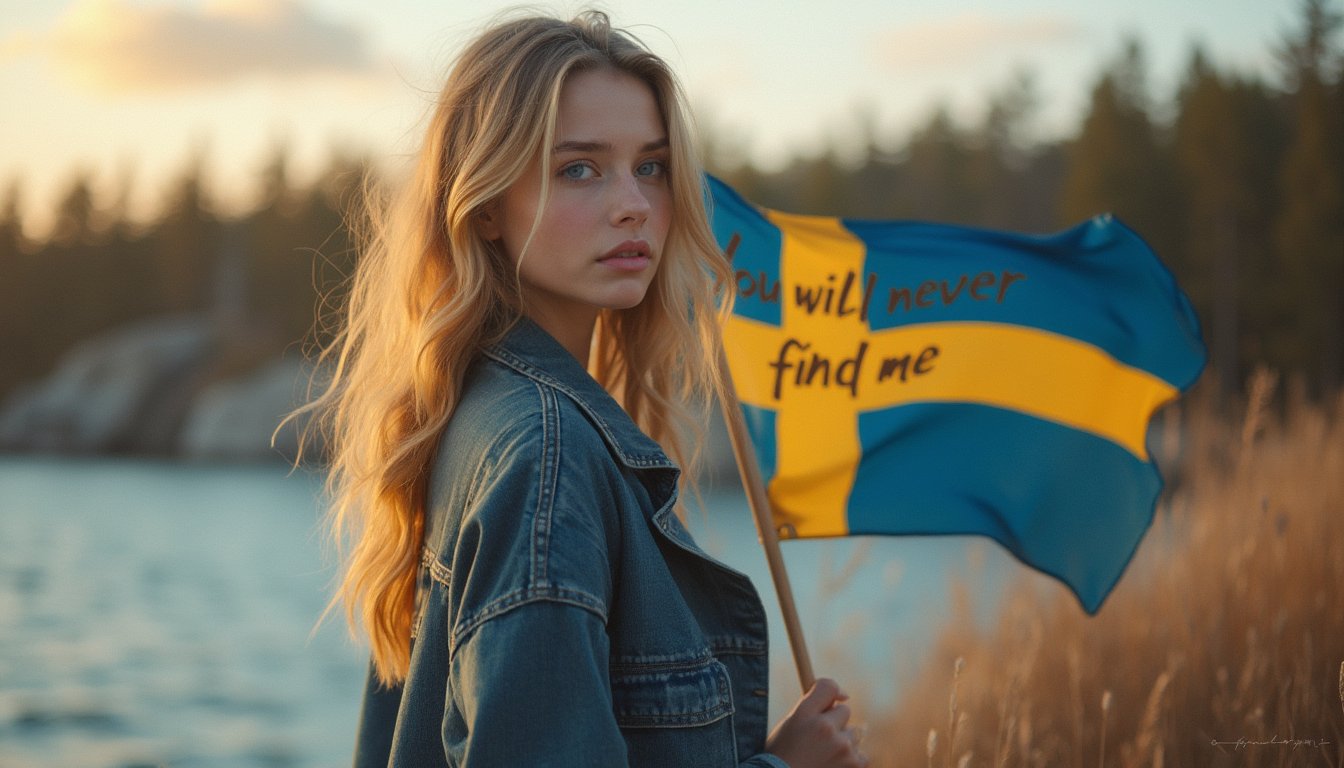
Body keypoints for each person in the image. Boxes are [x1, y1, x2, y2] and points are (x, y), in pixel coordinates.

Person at [300, 10, 868, 767]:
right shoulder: (545, 458)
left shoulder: (472, 411)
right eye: (579, 168)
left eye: (653, 166)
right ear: (489, 204)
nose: (633, 202)